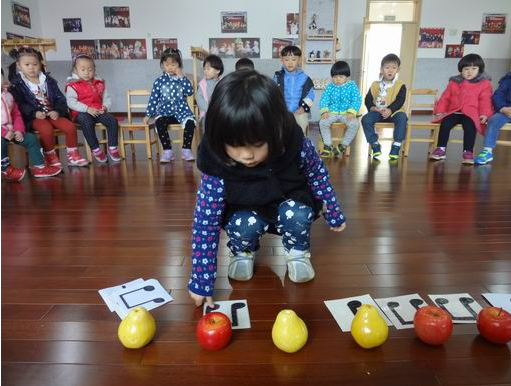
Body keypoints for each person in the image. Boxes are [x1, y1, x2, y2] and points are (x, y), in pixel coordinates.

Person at [187, 71, 347, 307]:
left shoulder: (293, 140)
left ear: (276, 131)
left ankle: (297, 251)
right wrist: (202, 279)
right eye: (235, 146)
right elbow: (205, 220)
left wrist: (333, 212)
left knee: (299, 213)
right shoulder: (215, 161)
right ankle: (242, 251)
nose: (247, 155)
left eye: (258, 144)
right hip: (244, 211)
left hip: (286, 200)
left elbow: (317, 174)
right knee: (242, 223)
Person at [8, 47, 89, 167]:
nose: (31, 67)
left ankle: (73, 156)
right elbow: (18, 104)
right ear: (19, 65)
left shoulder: (48, 81)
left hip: (52, 114)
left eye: (35, 64)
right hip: (34, 117)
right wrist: (34, 113)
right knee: (46, 129)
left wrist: (57, 110)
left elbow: (60, 98)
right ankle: (50, 156)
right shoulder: (17, 84)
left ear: (40, 64)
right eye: (27, 64)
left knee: (70, 127)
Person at [430, 54, 493, 164]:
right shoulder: (454, 82)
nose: (469, 72)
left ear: (479, 69)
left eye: (474, 69)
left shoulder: (484, 84)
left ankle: (468, 151)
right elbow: (445, 97)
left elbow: (485, 101)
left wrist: (484, 114)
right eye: (466, 69)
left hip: (470, 113)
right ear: (461, 70)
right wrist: (440, 111)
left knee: (470, 126)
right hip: (454, 111)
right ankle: (441, 149)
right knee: (445, 124)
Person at [2, 69, 62, 181]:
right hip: (3, 132)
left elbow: (16, 115)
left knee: (31, 139)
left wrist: (18, 130)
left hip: (12, 130)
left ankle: (40, 167)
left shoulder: (8, 96)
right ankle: (5, 169)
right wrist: (4, 133)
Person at [65, 54, 121, 163]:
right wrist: (87, 109)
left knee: (112, 120)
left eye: (90, 69)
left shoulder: (99, 83)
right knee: (87, 122)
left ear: (94, 70)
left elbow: (107, 98)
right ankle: (95, 149)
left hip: (98, 110)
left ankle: (113, 147)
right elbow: (71, 102)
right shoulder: (72, 85)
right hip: (81, 112)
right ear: (75, 70)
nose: (87, 72)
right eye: (83, 69)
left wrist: (105, 107)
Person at [144, 48, 196, 162]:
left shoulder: (183, 79)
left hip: (182, 112)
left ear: (179, 64)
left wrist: (182, 77)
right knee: (159, 122)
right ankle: (168, 151)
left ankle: (186, 150)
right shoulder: (159, 81)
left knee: (190, 123)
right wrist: (148, 114)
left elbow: (190, 92)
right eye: (167, 64)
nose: (170, 67)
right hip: (165, 112)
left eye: (173, 64)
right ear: (162, 65)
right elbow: (154, 99)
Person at [361, 53, 408, 160]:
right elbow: (368, 99)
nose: (390, 70)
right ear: (381, 69)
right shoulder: (375, 84)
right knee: (366, 119)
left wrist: (390, 110)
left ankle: (396, 144)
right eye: (387, 67)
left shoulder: (400, 85)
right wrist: (372, 107)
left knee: (402, 118)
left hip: (395, 112)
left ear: (398, 70)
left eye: (393, 68)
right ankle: (375, 143)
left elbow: (400, 100)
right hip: (378, 112)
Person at [318, 61, 362, 157]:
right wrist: (324, 111)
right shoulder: (330, 87)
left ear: (347, 76)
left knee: (355, 124)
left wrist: (351, 112)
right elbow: (324, 99)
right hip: (332, 113)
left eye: (341, 77)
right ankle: (328, 145)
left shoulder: (352, 86)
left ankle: (343, 145)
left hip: (346, 114)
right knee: (323, 122)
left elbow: (356, 100)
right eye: (335, 77)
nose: (337, 79)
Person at [273, 46, 314, 134]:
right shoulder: (277, 76)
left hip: (299, 111)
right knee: (275, 125)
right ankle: (280, 146)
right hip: (282, 112)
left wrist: (303, 108)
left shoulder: (305, 78)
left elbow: (310, 96)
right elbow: (272, 93)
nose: (290, 63)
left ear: (299, 60)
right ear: (282, 60)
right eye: (286, 60)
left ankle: (300, 145)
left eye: (294, 59)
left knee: (302, 122)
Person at [474, 71, 511, 165]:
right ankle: (487, 151)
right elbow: (498, 95)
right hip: (506, 110)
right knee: (493, 121)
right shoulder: (507, 79)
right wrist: (503, 108)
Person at [196, 55, 223, 121]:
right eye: (204, 69)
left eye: (208, 69)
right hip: (206, 113)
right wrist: (209, 109)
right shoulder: (202, 84)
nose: (205, 71)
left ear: (218, 70)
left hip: (220, 113)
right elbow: (198, 98)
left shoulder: (222, 83)